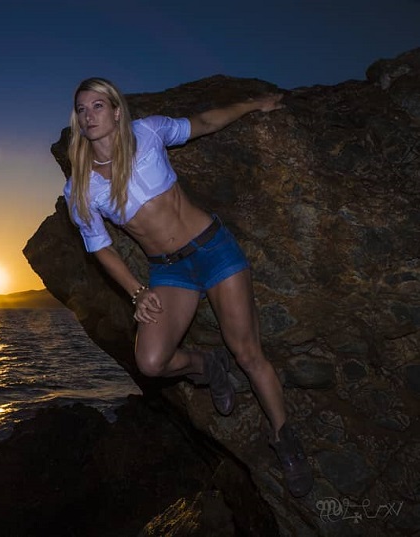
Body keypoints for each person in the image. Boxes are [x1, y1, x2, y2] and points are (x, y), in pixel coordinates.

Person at [63, 77, 313, 498]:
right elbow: (100, 248)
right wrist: (137, 292)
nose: (90, 116)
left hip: (214, 251)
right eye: (82, 110)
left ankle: (284, 438)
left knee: (248, 353)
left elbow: (204, 121)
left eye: (98, 106)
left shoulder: (148, 132)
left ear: (117, 110)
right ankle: (206, 367)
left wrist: (254, 105)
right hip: (169, 272)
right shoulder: (80, 188)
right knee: (151, 362)